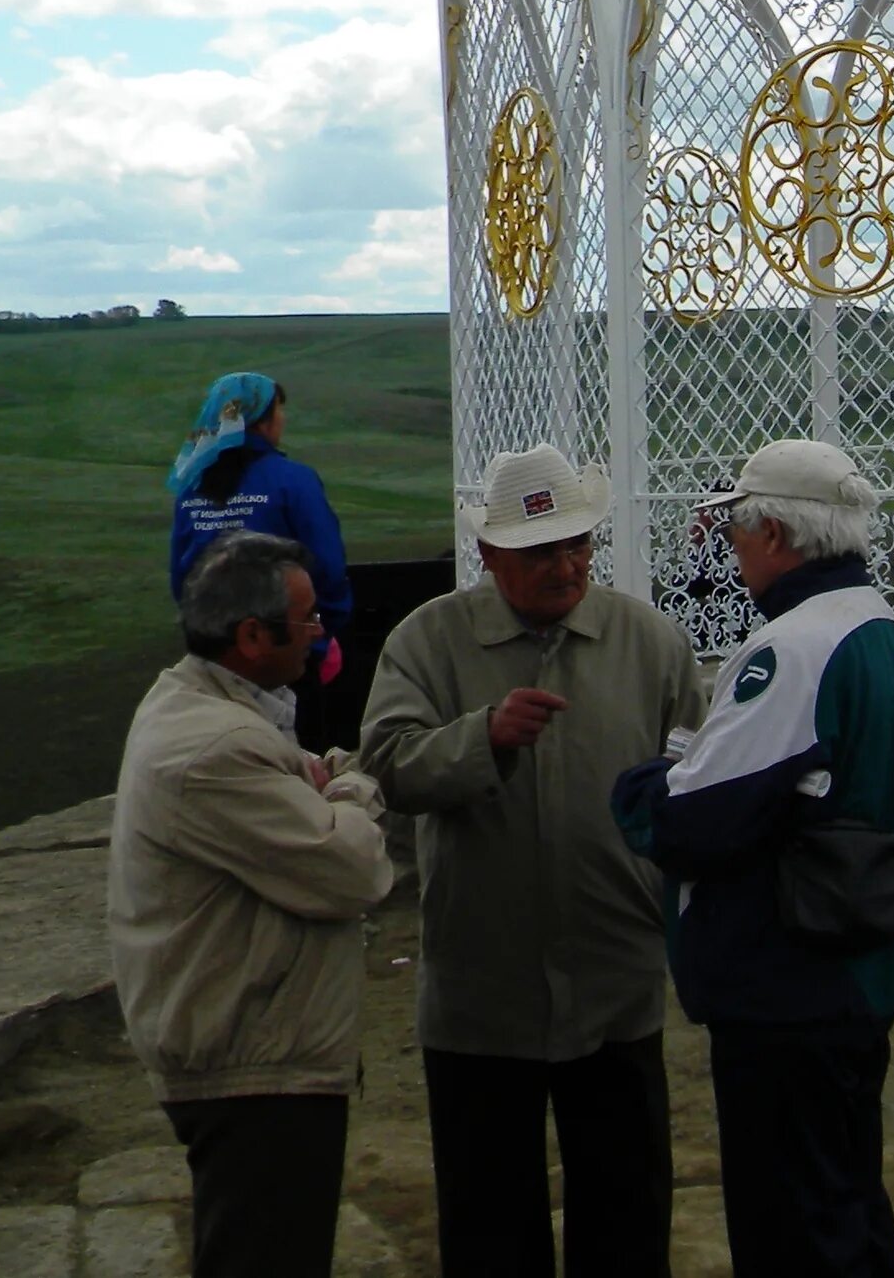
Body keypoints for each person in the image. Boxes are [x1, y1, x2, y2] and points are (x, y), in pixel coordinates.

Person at [358, 444, 710, 1278]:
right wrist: (481, 739)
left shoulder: (649, 640)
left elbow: (695, 774)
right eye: (542, 551)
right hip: (483, 992)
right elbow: (384, 768)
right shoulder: (428, 642)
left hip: (614, 982)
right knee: (489, 1224)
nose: (567, 566)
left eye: (579, 545)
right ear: (488, 555)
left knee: (625, 1217)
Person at [613, 439, 894, 1278]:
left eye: (735, 531)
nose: (731, 548)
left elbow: (699, 822)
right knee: (845, 1199)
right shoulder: (881, 631)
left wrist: (643, 787)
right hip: (862, 967)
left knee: (791, 1223)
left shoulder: (792, 650)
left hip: (791, 985)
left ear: (774, 536)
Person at [108, 532, 394, 1278]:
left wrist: (318, 791)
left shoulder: (200, 706)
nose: (322, 630)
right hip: (253, 1067)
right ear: (251, 637)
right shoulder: (215, 749)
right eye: (306, 620)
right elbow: (351, 870)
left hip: (252, 1050)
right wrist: (355, 792)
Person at [168, 373, 352, 748]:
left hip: (216, 663)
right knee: (299, 765)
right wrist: (316, 637)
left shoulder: (192, 487)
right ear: (262, 421)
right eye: (279, 411)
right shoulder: (293, 481)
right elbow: (328, 570)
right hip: (286, 656)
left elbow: (181, 579)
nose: (282, 421)